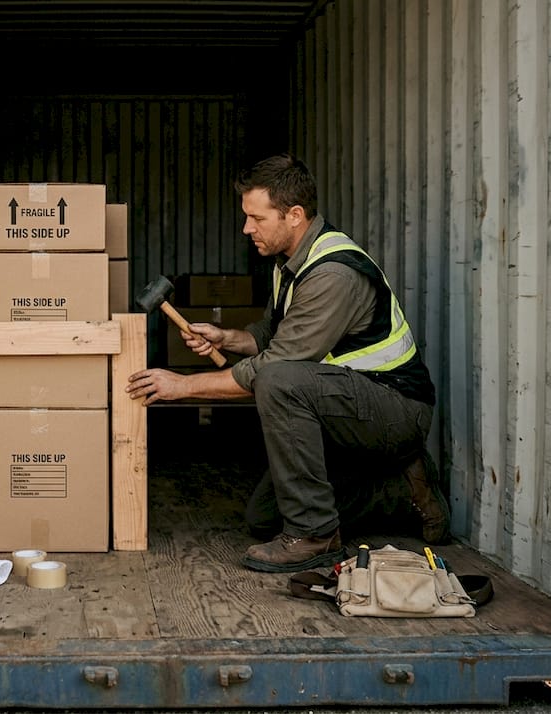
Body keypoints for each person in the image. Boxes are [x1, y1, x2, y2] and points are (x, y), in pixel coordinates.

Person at [125, 153, 449, 573]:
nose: (246, 229)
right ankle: (400, 490)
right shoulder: (290, 261)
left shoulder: (332, 273)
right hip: (344, 407)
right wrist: (227, 337)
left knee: (278, 380)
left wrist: (182, 386)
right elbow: (272, 334)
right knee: (263, 518)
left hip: (394, 411)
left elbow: (275, 367)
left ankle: (314, 535)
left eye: (256, 218)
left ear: (294, 214)